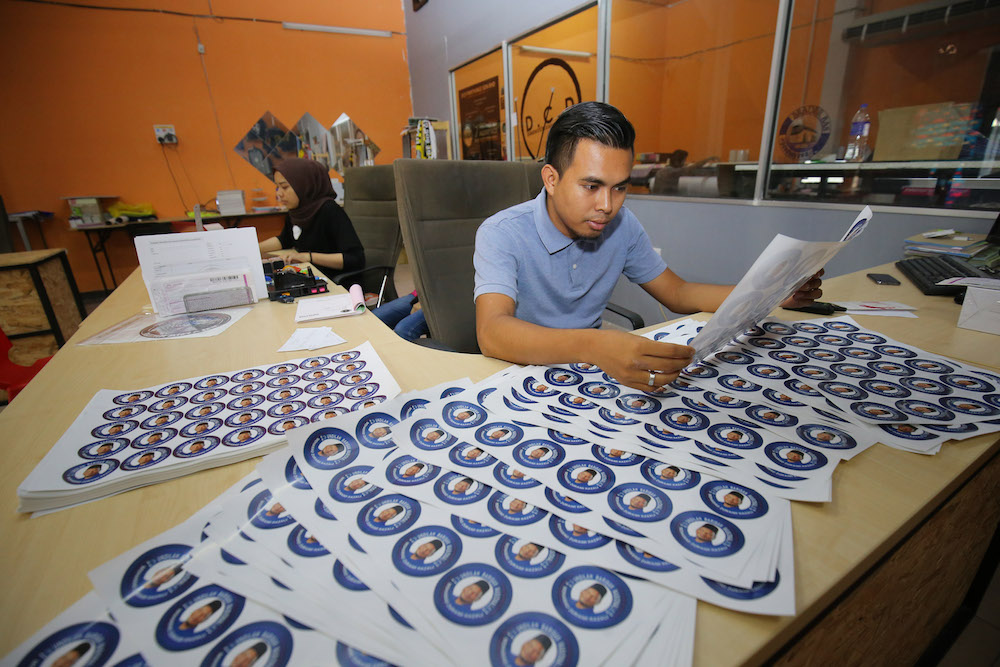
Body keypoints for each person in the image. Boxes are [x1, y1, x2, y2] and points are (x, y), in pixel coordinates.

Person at [473, 103, 822, 390]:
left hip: (589, 375)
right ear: (551, 179)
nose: (608, 205)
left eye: (620, 188)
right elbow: (492, 332)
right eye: (591, 186)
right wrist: (594, 345)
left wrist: (772, 292)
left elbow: (679, 293)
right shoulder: (502, 232)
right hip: (516, 377)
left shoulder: (622, 226)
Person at [257, 158, 364, 273]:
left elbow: (355, 259)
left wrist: (309, 257)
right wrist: (252, 248)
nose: (279, 194)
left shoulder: (329, 210)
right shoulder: (297, 211)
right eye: (277, 187)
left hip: (335, 280)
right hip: (310, 274)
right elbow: (284, 240)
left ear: (304, 185)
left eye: (285, 187)